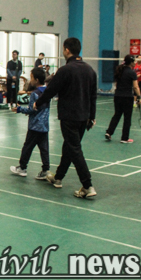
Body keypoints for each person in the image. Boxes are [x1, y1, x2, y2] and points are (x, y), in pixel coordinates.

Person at [34, 38, 97, 199]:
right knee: (69, 147)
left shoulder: (65, 70)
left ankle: (87, 185)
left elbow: (50, 91)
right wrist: (92, 116)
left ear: (67, 50)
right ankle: (58, 178)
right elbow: (93, 96)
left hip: (69, 117)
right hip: (84, 117)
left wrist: (37, 103)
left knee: (74, 149)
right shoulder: (90, 70)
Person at [10, 68, 50, 179]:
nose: (30, 80)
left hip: (34, 126)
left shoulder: (34, 94)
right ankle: (45, 170)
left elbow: (32, 109)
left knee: (27, 147)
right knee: (44, 149)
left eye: (31, 77)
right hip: (44, 126)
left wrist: (19, 109)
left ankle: (22, 168)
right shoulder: (48, 92)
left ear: (36, 80)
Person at [105, 55, 141, 144]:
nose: (135, 62)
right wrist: (139, 97)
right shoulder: (132, 73)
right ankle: (124, 138)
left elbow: (117, 84)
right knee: (127, 118)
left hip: (117, 96)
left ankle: (109, 132)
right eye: (134, 61)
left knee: (117, 115)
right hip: (127, 97)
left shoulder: (119, 71)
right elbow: (135, 87)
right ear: (131, 62)